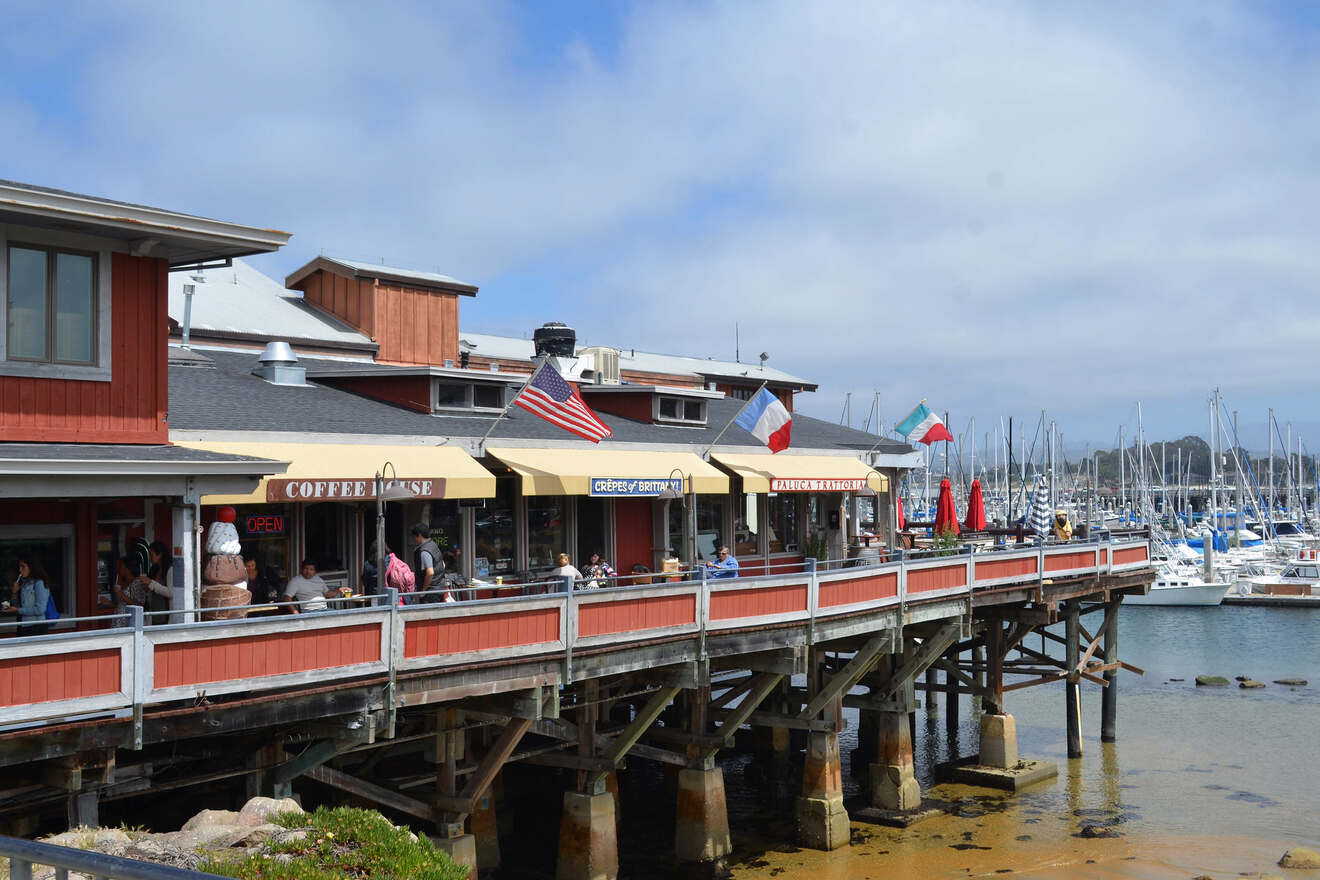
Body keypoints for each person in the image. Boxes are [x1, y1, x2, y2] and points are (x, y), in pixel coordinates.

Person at [112, 554, 170, 620]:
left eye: (121, 567)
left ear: (128, 569)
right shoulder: (124, 583)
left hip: (130, 622)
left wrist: (121, 594)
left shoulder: (137, 583)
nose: (119, 569)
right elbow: (122, 604)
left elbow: (139, 605)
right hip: (120, 621)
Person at [11, 552, 52, 635]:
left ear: (32, 567)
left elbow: (40, 609)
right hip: (22, 625)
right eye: (19, 566)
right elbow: (17, 607)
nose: (20, 570)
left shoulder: (39, 583)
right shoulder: (24, 583)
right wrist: (14, 593)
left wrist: (18, 610)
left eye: (23, 566)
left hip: (36, 627)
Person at [410, 524, 443, 600]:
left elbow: (430, 572)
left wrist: (423, 591)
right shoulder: (433, 545)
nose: (414, 539)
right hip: (440, 589)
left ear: (420, 535)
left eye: (414, 537)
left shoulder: (424, 551)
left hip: (430, 593)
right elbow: (443, 565)